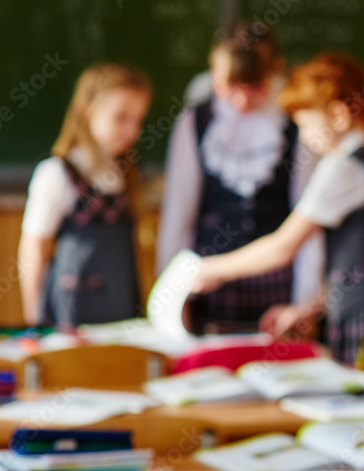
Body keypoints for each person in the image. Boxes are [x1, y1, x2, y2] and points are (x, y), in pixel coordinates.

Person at [192, 53, 364, 364]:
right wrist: (309, 308)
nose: (303, 137)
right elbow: (362, 259)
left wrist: (212, 269)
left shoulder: (343, 166)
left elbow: (282, 247)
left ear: (339, 116)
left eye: (305, 124)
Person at [157, 22, 320, 333]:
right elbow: (178, 215)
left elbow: (309, 220)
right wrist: (171, 298)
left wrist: (304, 304)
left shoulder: (298, 124)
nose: (242, 99)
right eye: (230, 85)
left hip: (277, 291)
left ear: (277, 69)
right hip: (207, 288)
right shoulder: (195, 122)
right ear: (213, 73)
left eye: (255, 85)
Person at [18, 63, 152, 328]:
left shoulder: (127, 175)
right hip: (73, 315)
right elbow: (33, 250)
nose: (132, 130)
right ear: (88, 109)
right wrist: (35, 322)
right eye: (121, 117)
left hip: (121, 312)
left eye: (138, 120)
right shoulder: (57, 173)